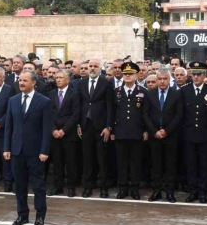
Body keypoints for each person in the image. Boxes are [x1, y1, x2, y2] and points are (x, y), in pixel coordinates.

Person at [4, 70, 52, 225]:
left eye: (25, 81)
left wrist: (44, 150)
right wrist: (7, 148)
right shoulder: (13, 101)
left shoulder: (44, 101)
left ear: (33, 83)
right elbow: (9, 127)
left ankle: (40, 216)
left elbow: (46, 129)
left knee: (38, 185)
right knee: (20, 185)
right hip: (17, 151)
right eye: (20, 80)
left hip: (36, 152)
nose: (21, 83)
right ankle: (22, 215)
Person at [143, 67, 182, 203]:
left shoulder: (176, 94)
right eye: (160, 79)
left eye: (165, 79)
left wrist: (167, 130)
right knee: (156, 165)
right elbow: (145, 114)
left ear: (169, 79)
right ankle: (157, 191)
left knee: (170, 165)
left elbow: (178, 115)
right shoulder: (150, 93)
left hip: (170, 135)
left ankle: (169, 192)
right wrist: (154, 131)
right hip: (155, 135)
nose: (162, 82)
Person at [179, 61, 207, 203]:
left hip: (205, 134)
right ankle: (192, 190)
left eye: (199, 74)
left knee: (204, 164)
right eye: (193, 74)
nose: (196, 77)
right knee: (191, 164)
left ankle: (203, 191)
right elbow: (181, 114)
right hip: (189, 134)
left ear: (204, 75)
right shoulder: (184, 90)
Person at [77, 59, 113, 198]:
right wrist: (79, 124)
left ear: (99, 69)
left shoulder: (106, 83)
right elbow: (79, 105)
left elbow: (110, 106)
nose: (92, 68)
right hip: (86, 125)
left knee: (102, 158)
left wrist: (108, 126)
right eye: (90, 66)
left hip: (101, 126)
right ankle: (88, 186)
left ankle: (103, 186)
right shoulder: (81, 83)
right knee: (87, 158)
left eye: (95, 66)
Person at [111, 62, 147, 200]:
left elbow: (145, 113)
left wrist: (144, 130)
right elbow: (113, 112)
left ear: (136, 75)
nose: (127, 76)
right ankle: (123, 188)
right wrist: (112, 129)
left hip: (136, 132)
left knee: (135, 162)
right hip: (120, 132)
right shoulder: (116, 92)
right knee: (121, 162)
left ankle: (135, 188)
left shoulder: (142, 92)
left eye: (130, 74)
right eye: (125, 74)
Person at [48, 69, 80, 197]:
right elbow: (49, 114)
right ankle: (58, 186)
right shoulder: (51, 94)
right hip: (55, 133)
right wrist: (54, 130)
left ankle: (71, 186)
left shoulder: (74, 93)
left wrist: (63, 130)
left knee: (71, 161)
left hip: (69, 133)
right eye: (57, 78)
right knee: (57, 161)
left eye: (61, 77)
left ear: (68, 79)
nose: (58, 80)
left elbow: (76, 114)